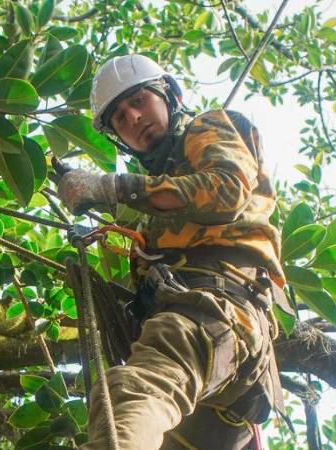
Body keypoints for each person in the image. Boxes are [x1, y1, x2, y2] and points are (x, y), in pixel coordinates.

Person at [57, 54, 289, 450]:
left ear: (171, 96)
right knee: (135, 410)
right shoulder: (154, 207)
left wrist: (110, 187)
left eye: (140, 100)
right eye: (119, 118)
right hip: (208, 368)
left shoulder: (209, 126)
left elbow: (225, 190)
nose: (133, 117)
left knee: (127, 394)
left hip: (214, 311)